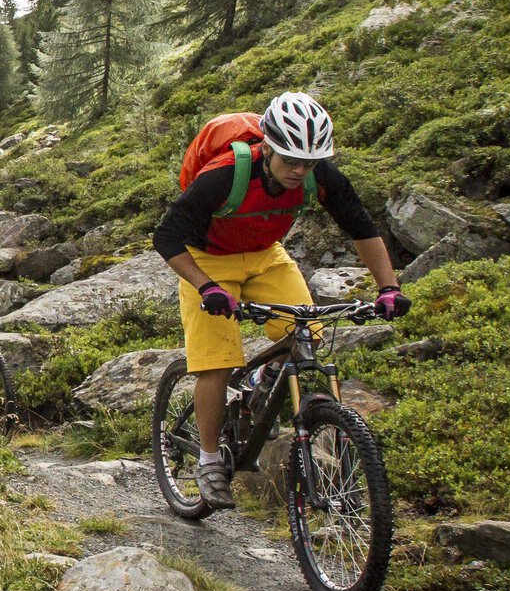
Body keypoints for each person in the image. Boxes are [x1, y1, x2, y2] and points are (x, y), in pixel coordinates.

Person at [153, 91, 406, 510]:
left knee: (307, 333)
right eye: (290, 160)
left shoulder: (319, 176)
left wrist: (388, 288)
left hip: (266, 255)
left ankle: (260, 384)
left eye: (309, 162)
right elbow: (166, 236)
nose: (299, 171)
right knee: (216, 362)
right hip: (207, 259)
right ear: (268, 147)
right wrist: (206, 286)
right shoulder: (224, 175)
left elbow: (360, 226)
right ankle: (210, 460)